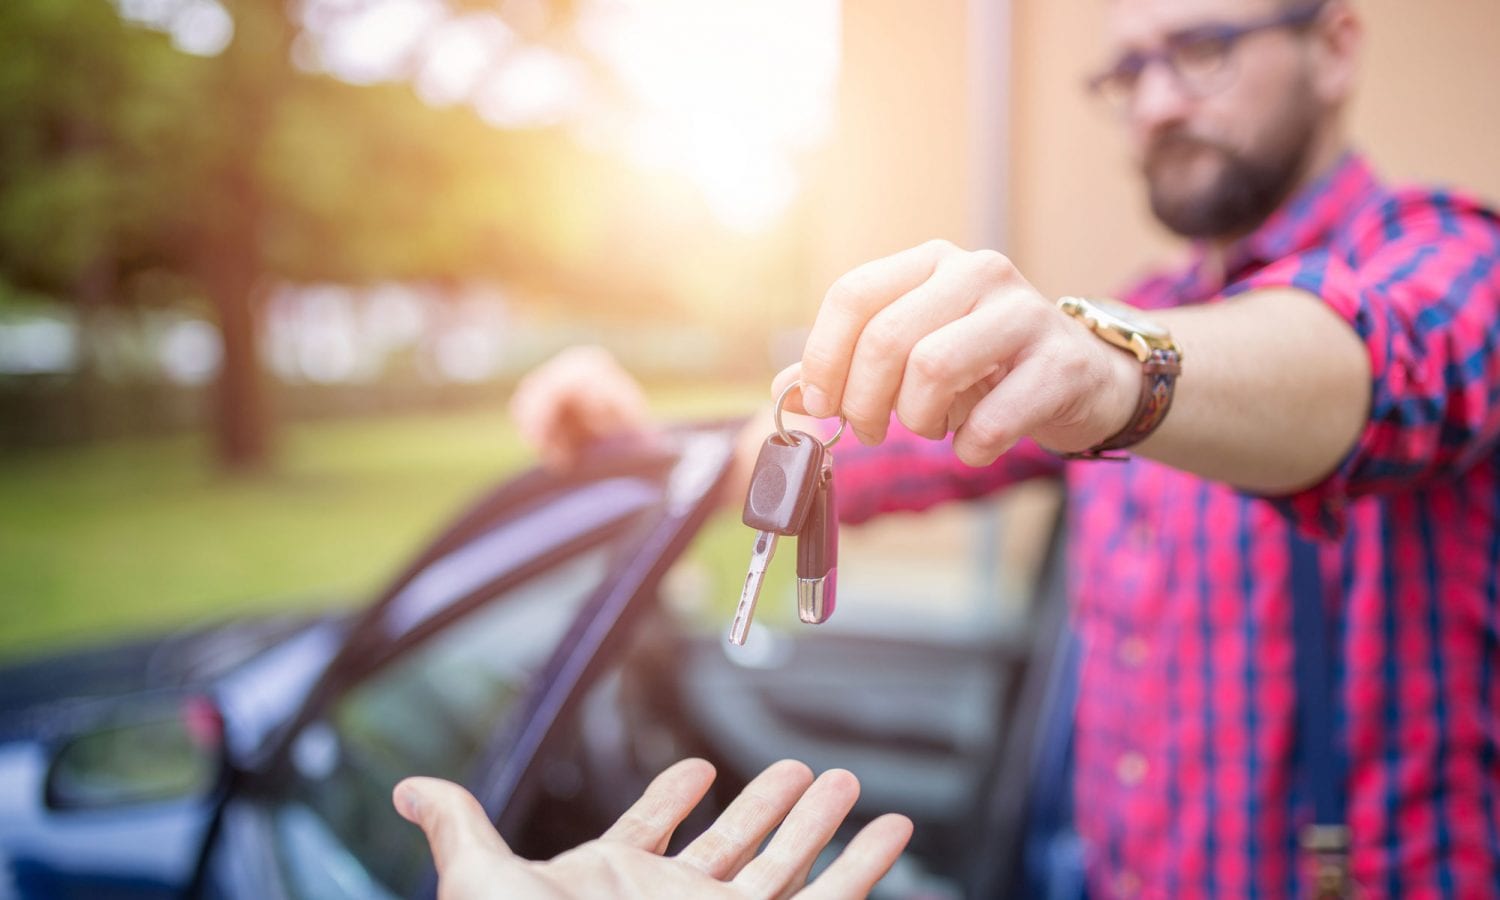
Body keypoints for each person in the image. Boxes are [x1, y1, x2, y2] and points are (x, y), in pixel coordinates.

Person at [433, 0, 1500, 895]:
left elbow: (1368, 360)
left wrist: (1120, 369)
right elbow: (886, 445)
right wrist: (659, 446)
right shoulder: (1149, 302)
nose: (1161, 100)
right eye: (1129, 71)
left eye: (1205, 47)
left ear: (1336, 45)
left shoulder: (1455, 257)